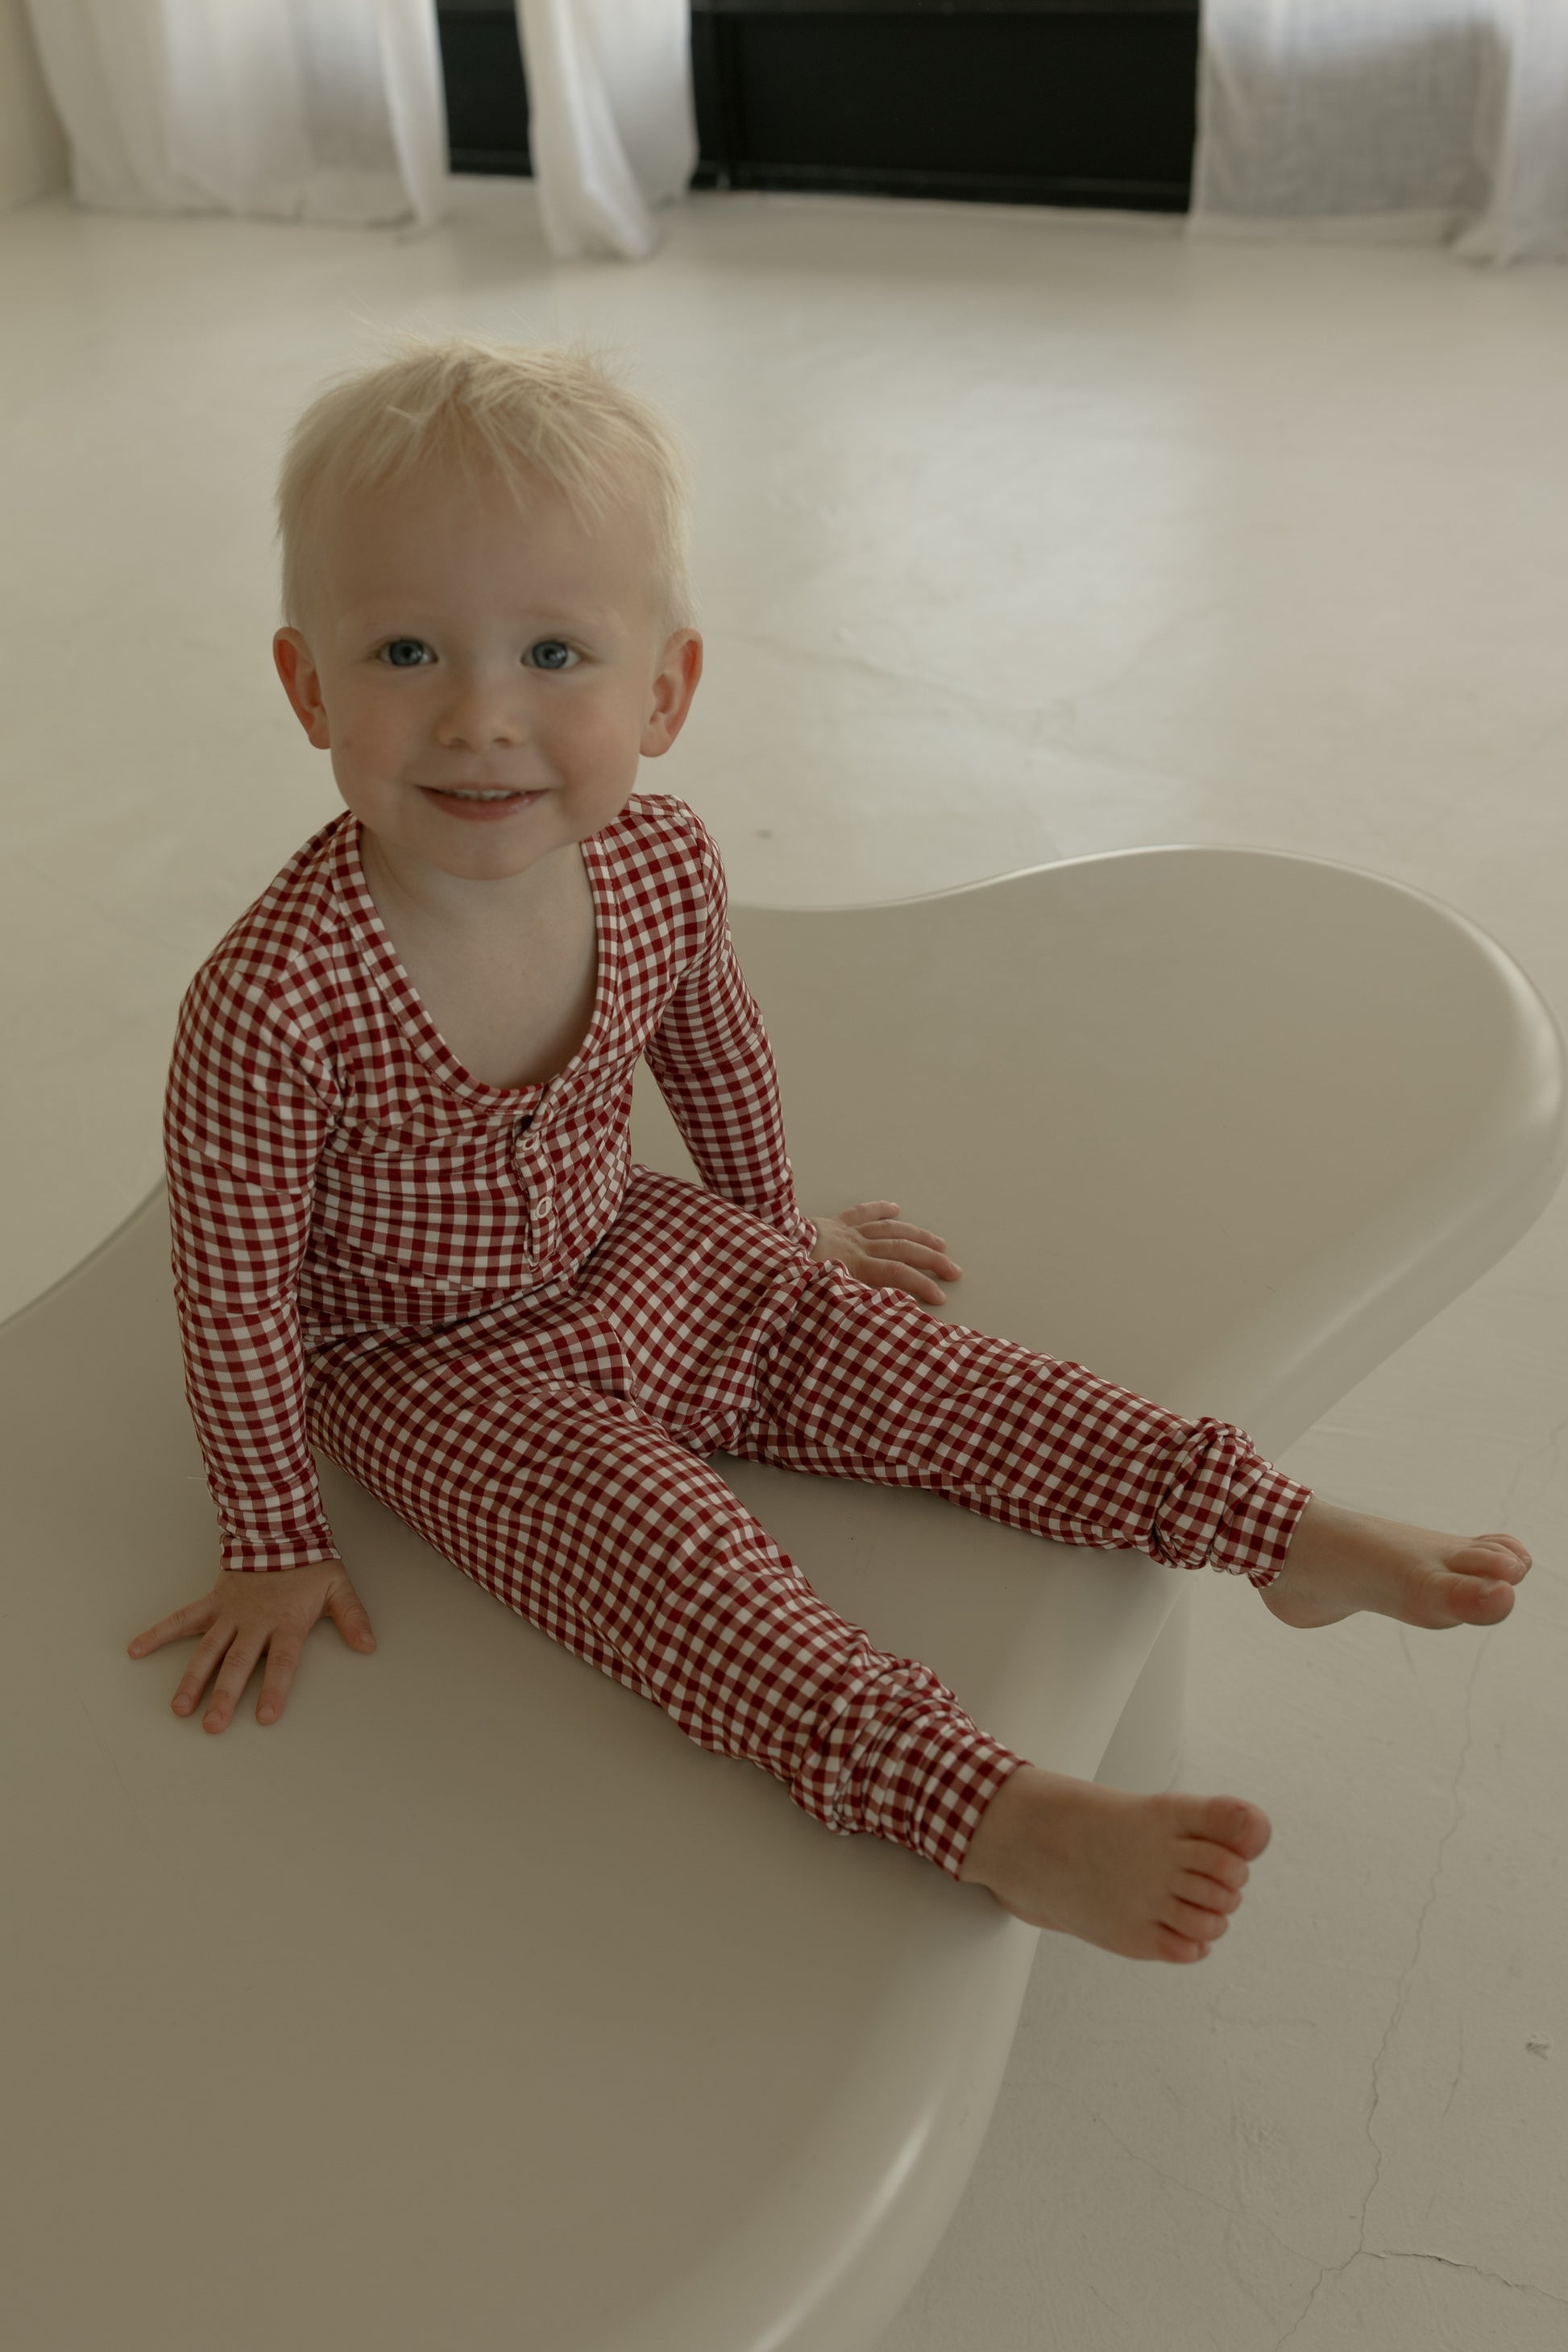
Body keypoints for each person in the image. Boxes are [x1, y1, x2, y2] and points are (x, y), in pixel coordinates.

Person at [127, 334, 1531, 1965]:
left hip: (637, 1244)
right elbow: (229, 1298)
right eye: (408, 650)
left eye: (556, 650)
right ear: (307, 685)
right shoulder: (271, 997)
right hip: (426, 1362)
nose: (479, 716)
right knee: (675, 1563)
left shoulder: (654, 863)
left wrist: (777, 1233)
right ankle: (990, 1810)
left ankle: (1269, 1526)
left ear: (666, 689)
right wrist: (271, 1535)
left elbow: (717, 1052)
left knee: (927, 1372)